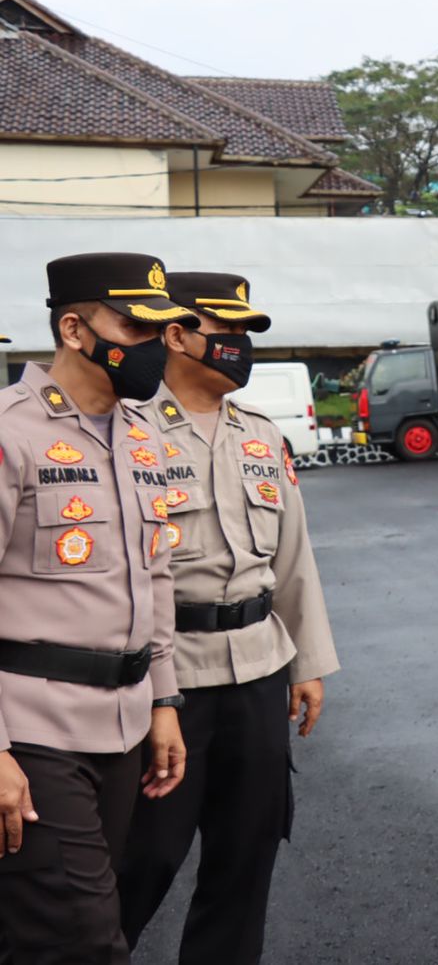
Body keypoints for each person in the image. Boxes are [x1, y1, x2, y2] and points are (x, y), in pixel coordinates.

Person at [117, 273, 341, 964]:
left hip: (257, 670)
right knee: (144, 857)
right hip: (168, 680)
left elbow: (294, 558)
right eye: (228, 334)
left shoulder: (262, 437)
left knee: (246, 858)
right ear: (177, 335)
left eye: (247, 337)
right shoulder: (127, 434)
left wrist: (308, 664)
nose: (240, 349)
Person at [0, 252, 192, 963]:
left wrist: (165, 700)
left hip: (124, 727)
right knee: (81, 942)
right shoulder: (11, 431)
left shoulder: (144, 437)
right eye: (136, 327)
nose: (154, 346)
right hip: (32, 730)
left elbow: (157, 575)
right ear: (75, 329)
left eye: (163, 328)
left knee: (47, 930)